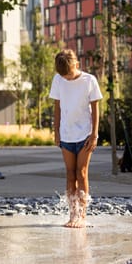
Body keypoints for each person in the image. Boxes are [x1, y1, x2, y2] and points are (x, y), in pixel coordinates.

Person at [49, 49, 103, 228]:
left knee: (82, 173)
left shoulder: (89, 80)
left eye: (69, 74)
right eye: (63, 76)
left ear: (76, 65)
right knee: (70, 174)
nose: (67, 78)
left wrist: (94, 134)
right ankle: (72, 215)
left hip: (85, 134)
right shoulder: (58, 79)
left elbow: (95, 109)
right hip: (66, 133)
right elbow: (57, 107)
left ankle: (82, 216)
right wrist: (56, 131)